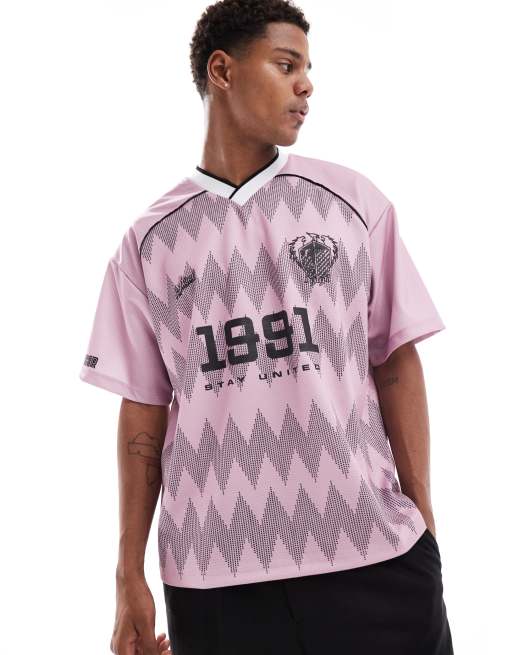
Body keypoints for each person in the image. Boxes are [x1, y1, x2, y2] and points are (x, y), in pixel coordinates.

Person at [79, 1, 455, 653]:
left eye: (307, 68)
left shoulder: (352, 203)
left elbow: (394, 361)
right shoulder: (149, 242)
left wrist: (423, 522)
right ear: (222, 71)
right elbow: (143, 408)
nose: (305, 84)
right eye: (286, 65)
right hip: (213, 577)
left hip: (372, 554)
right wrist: (127, 573)